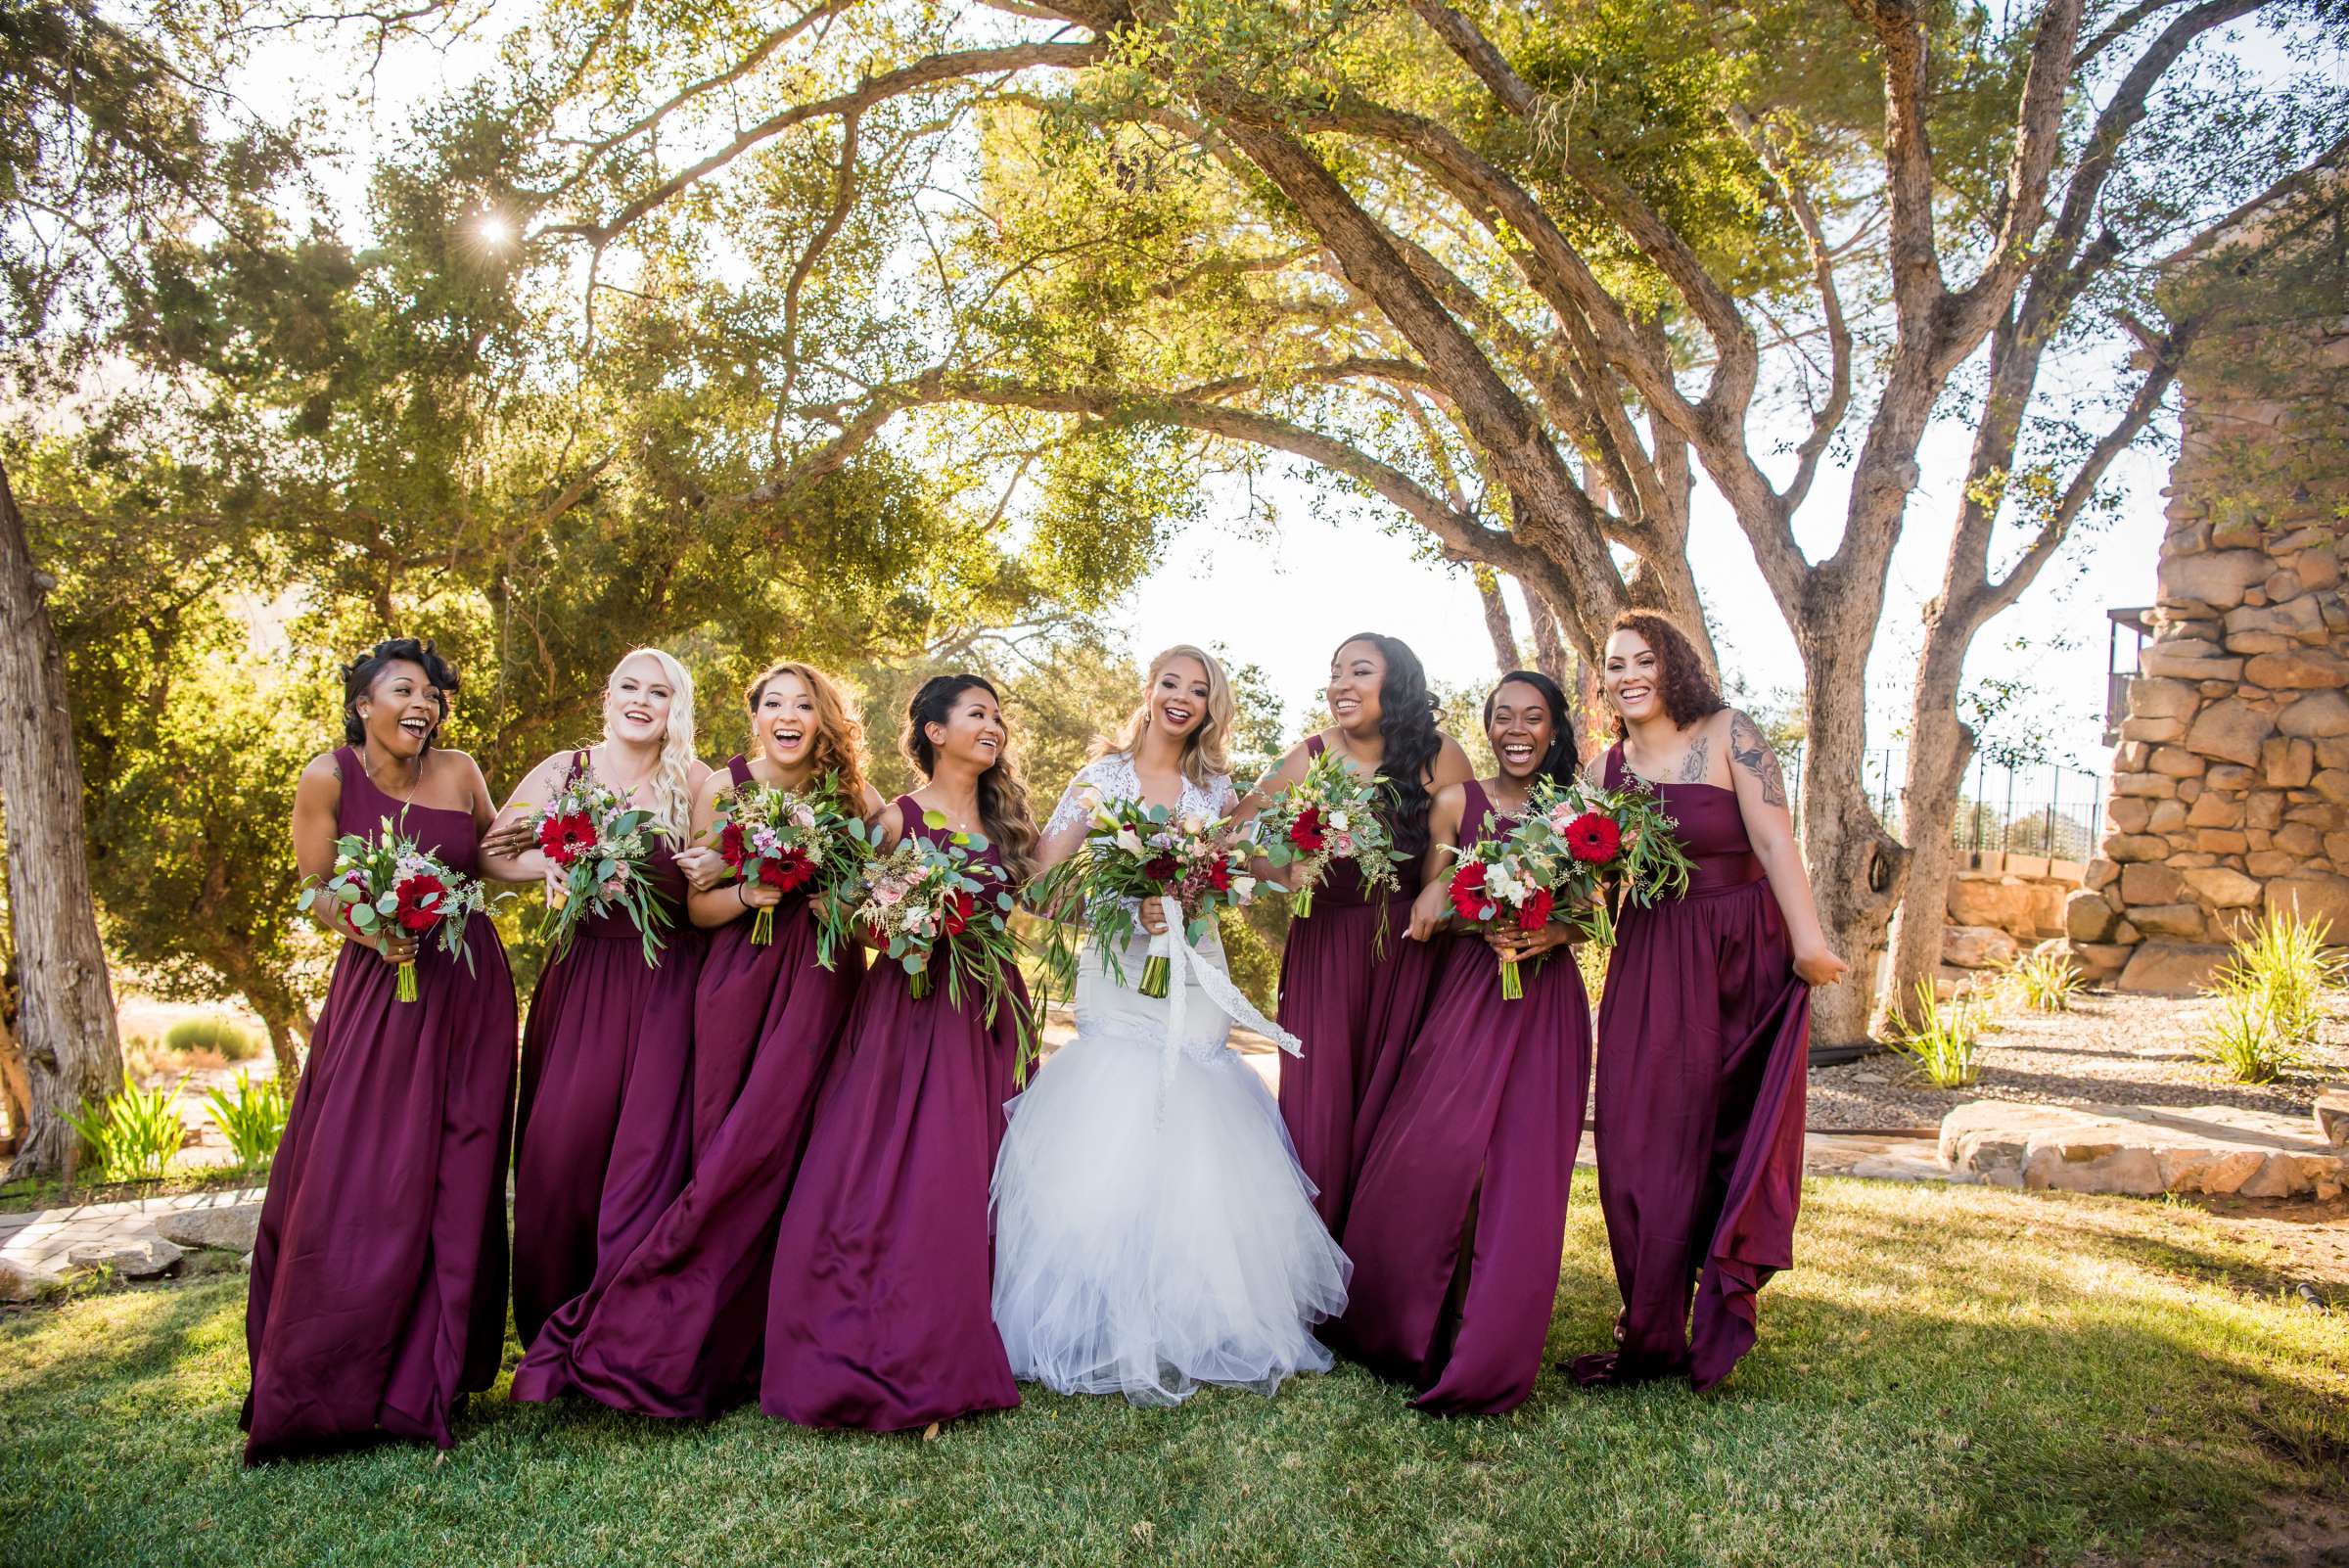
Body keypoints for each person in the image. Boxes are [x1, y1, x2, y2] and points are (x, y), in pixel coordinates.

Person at [510, 660, 880, 1417]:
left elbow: (880, 871)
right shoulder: (723, 785)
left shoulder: (849, 797)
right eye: (772, 702)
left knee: (808, 1151)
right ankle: (669, 1320)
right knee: (725, 1150)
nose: (787, 714)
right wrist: (750, 884)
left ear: (825, 720)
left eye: (803, 704)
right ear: (753, 716)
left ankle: (787, 1332)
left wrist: (846, 884)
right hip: (735, 983)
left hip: (821, 983)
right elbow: (696, 908)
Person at [991, 646, 1350, 1406]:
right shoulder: (1100, 780)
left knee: (1198, 1117)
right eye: (1171, 683)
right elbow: (1046, 892)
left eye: (1199, 690)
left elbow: (1243, 876)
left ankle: (1194, 1319)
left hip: (1197, 969)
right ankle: (1097, 1318)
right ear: (1149, 691)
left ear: (1212, 707)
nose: (1181, 698)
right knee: (1114, 1118)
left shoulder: (1219, 792)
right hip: (1121, 973)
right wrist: (1128, 905)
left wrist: (1285, 867)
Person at [244, 638, 515, 1462]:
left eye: (433, 694)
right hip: (380, 993)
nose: (423, 704)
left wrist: (583, 848)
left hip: (470, 990)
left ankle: (428, 1382)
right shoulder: (328, 776)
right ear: (364, 704)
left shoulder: (463, 771)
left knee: (460, 1173)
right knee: (361, 1173)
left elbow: (497, 858)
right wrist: (368, 924)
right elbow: (318, 887)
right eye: (405, 690)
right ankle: (327, 1380)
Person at [1569, 612, 1847, 1392]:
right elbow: (1592, 893)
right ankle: (1652, 1321)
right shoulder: (1601, 774)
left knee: (1731, 1128)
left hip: (1744, 950)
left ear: (1674, 665)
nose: (1628, 676)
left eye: (1643, 660)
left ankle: (1721, 1305)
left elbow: (1773, 843)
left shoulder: (1733, 734)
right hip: (1653, 958)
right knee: (1639, 1138)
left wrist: (1808, 942)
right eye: (1615, 665)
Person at [762, 674, 1036, 1433]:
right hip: (910, 1013)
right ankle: (883, 1335)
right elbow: (850, 919)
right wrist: (905, 921)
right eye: (978, 714)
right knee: (898, 1171)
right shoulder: (894, 818)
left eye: (997, 715)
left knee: (980, 1167)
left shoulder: (1008, 819)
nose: (995, 725)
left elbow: (1045, 899)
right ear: (935, 731)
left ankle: (969, 1324)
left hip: (990, 1009)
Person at [1341, 670, 1593, 1414]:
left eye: (1535, 717)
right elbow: (1432, 904)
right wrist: (1469, 902)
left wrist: (1553, 927)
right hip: (1467, 993)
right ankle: (1405, 1331)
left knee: (1522, 1170)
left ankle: (1491, 1342)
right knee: (1439, 1154)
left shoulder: (1581, 811)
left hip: (1545, 1000)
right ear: (1488, 726)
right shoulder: (1458, 801)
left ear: (1553, 729)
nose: (1519, 729)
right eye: (1505, 716)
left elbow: (1599, 911)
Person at [482, 648, 724, 1353]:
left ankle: (637, 1329)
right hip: (582, 976)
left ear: (675, 707)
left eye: (659, 691)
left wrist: (712, 861)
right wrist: (548, 863)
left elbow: (720, 866)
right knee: (565, 1143)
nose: (641, 701)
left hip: (670, 981)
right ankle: (556, 1318)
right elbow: (492, 850)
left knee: (655, 1148)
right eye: (630, 687)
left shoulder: (697, 779)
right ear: (608, 695)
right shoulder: (567, 770)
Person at [1237, 633, 1472, 1230]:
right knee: (1319, 1108)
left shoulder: (1439, 756)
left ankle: (1383, 1270)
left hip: (1412, 952)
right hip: (1325, 949)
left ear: (1394, 684)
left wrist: (1441, 887)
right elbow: (1234, 838)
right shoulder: (1309, 755)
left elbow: (1477, 852)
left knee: (1398, 1105)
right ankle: (1312, 1269)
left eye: (1358, 671)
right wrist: (1280, 869)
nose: (1340, 683)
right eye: (1334, 671)